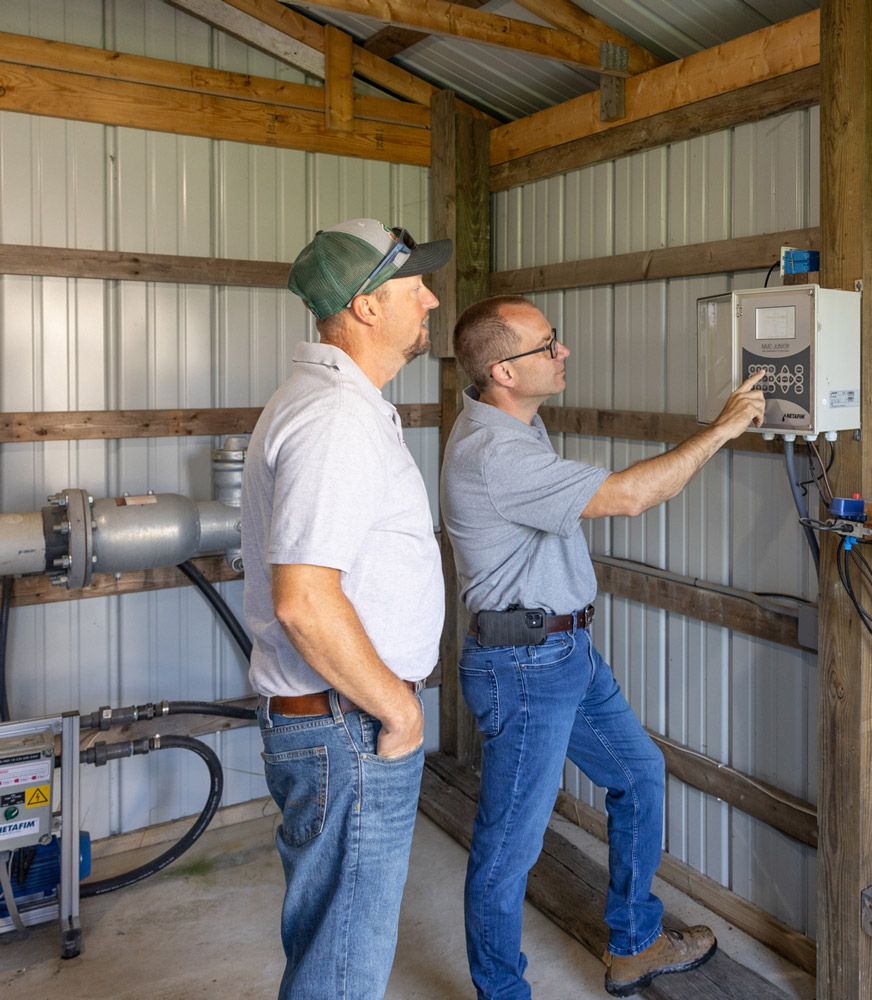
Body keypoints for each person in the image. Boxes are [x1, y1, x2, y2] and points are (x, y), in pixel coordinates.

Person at [442, 295, 766, 999]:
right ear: (502, 370)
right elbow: (628, 497)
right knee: (509, 845)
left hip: (562, 654)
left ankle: (634, 944)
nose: (562, 354)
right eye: (546, 346)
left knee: (638, 774)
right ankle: (501, 992)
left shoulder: (516, 422)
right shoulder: (494, 452)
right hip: (523, 666)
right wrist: (721, 431)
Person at [241, 218, 451, 999]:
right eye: (413, 285)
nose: (430, 299)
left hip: (340, 719)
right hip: (349, 725)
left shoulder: (342, 404)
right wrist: (395, 710)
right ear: (365, 306)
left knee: (334, 940)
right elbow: (304, 600)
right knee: (344, 962)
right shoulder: (335, 419)